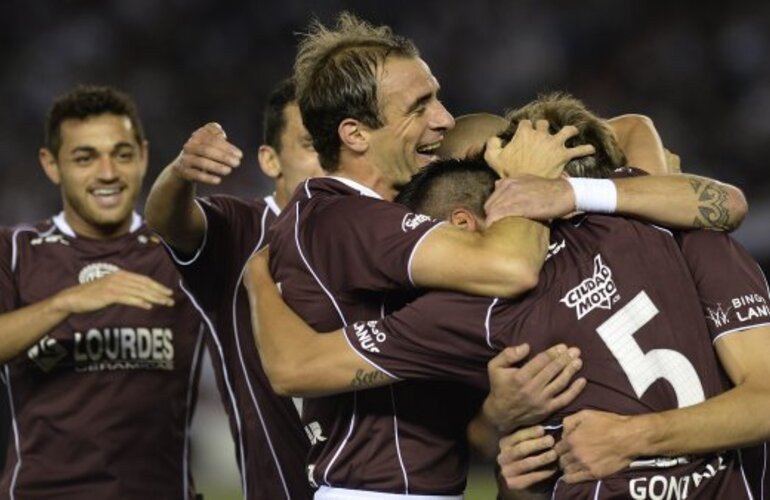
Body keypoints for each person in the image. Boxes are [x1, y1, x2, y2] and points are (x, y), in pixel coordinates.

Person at [245, 93, 760, 498]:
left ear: (465, 219)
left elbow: (296, 367)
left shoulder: (476, 307)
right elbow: (657, 149)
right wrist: (501, 434)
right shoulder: (646, 210)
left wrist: (257, 275)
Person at [0, 85, 205, 499]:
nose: (108, 172)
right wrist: (68, 301)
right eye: (84, 158)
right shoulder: (15, 250)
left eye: (122, 154)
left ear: (144, 157)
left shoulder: (181, 252)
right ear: (51, 164)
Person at [144, 78, 322, 499]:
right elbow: (167, 220)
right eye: (312, 144)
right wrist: (180, 173)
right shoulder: (239, 229)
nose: (329, 158)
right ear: (270, 159)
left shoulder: (376, 230)